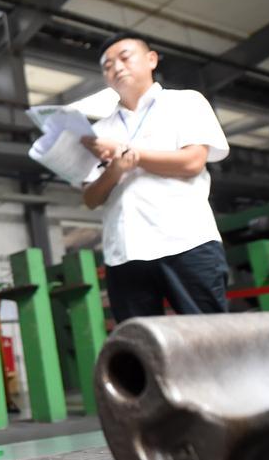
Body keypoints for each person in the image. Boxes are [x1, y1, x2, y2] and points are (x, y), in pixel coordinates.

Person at [79, 32, 230, 323]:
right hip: (124, 252)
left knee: (210, 338)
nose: (117, 68)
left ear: (151, 59)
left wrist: (127, 152)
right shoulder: (99, 131)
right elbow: (90, 197)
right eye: (107, 65)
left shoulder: (185, 103)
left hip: (186, 241)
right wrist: (117, 168)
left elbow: (193, 162)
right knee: (141, 347)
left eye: (124, 57)